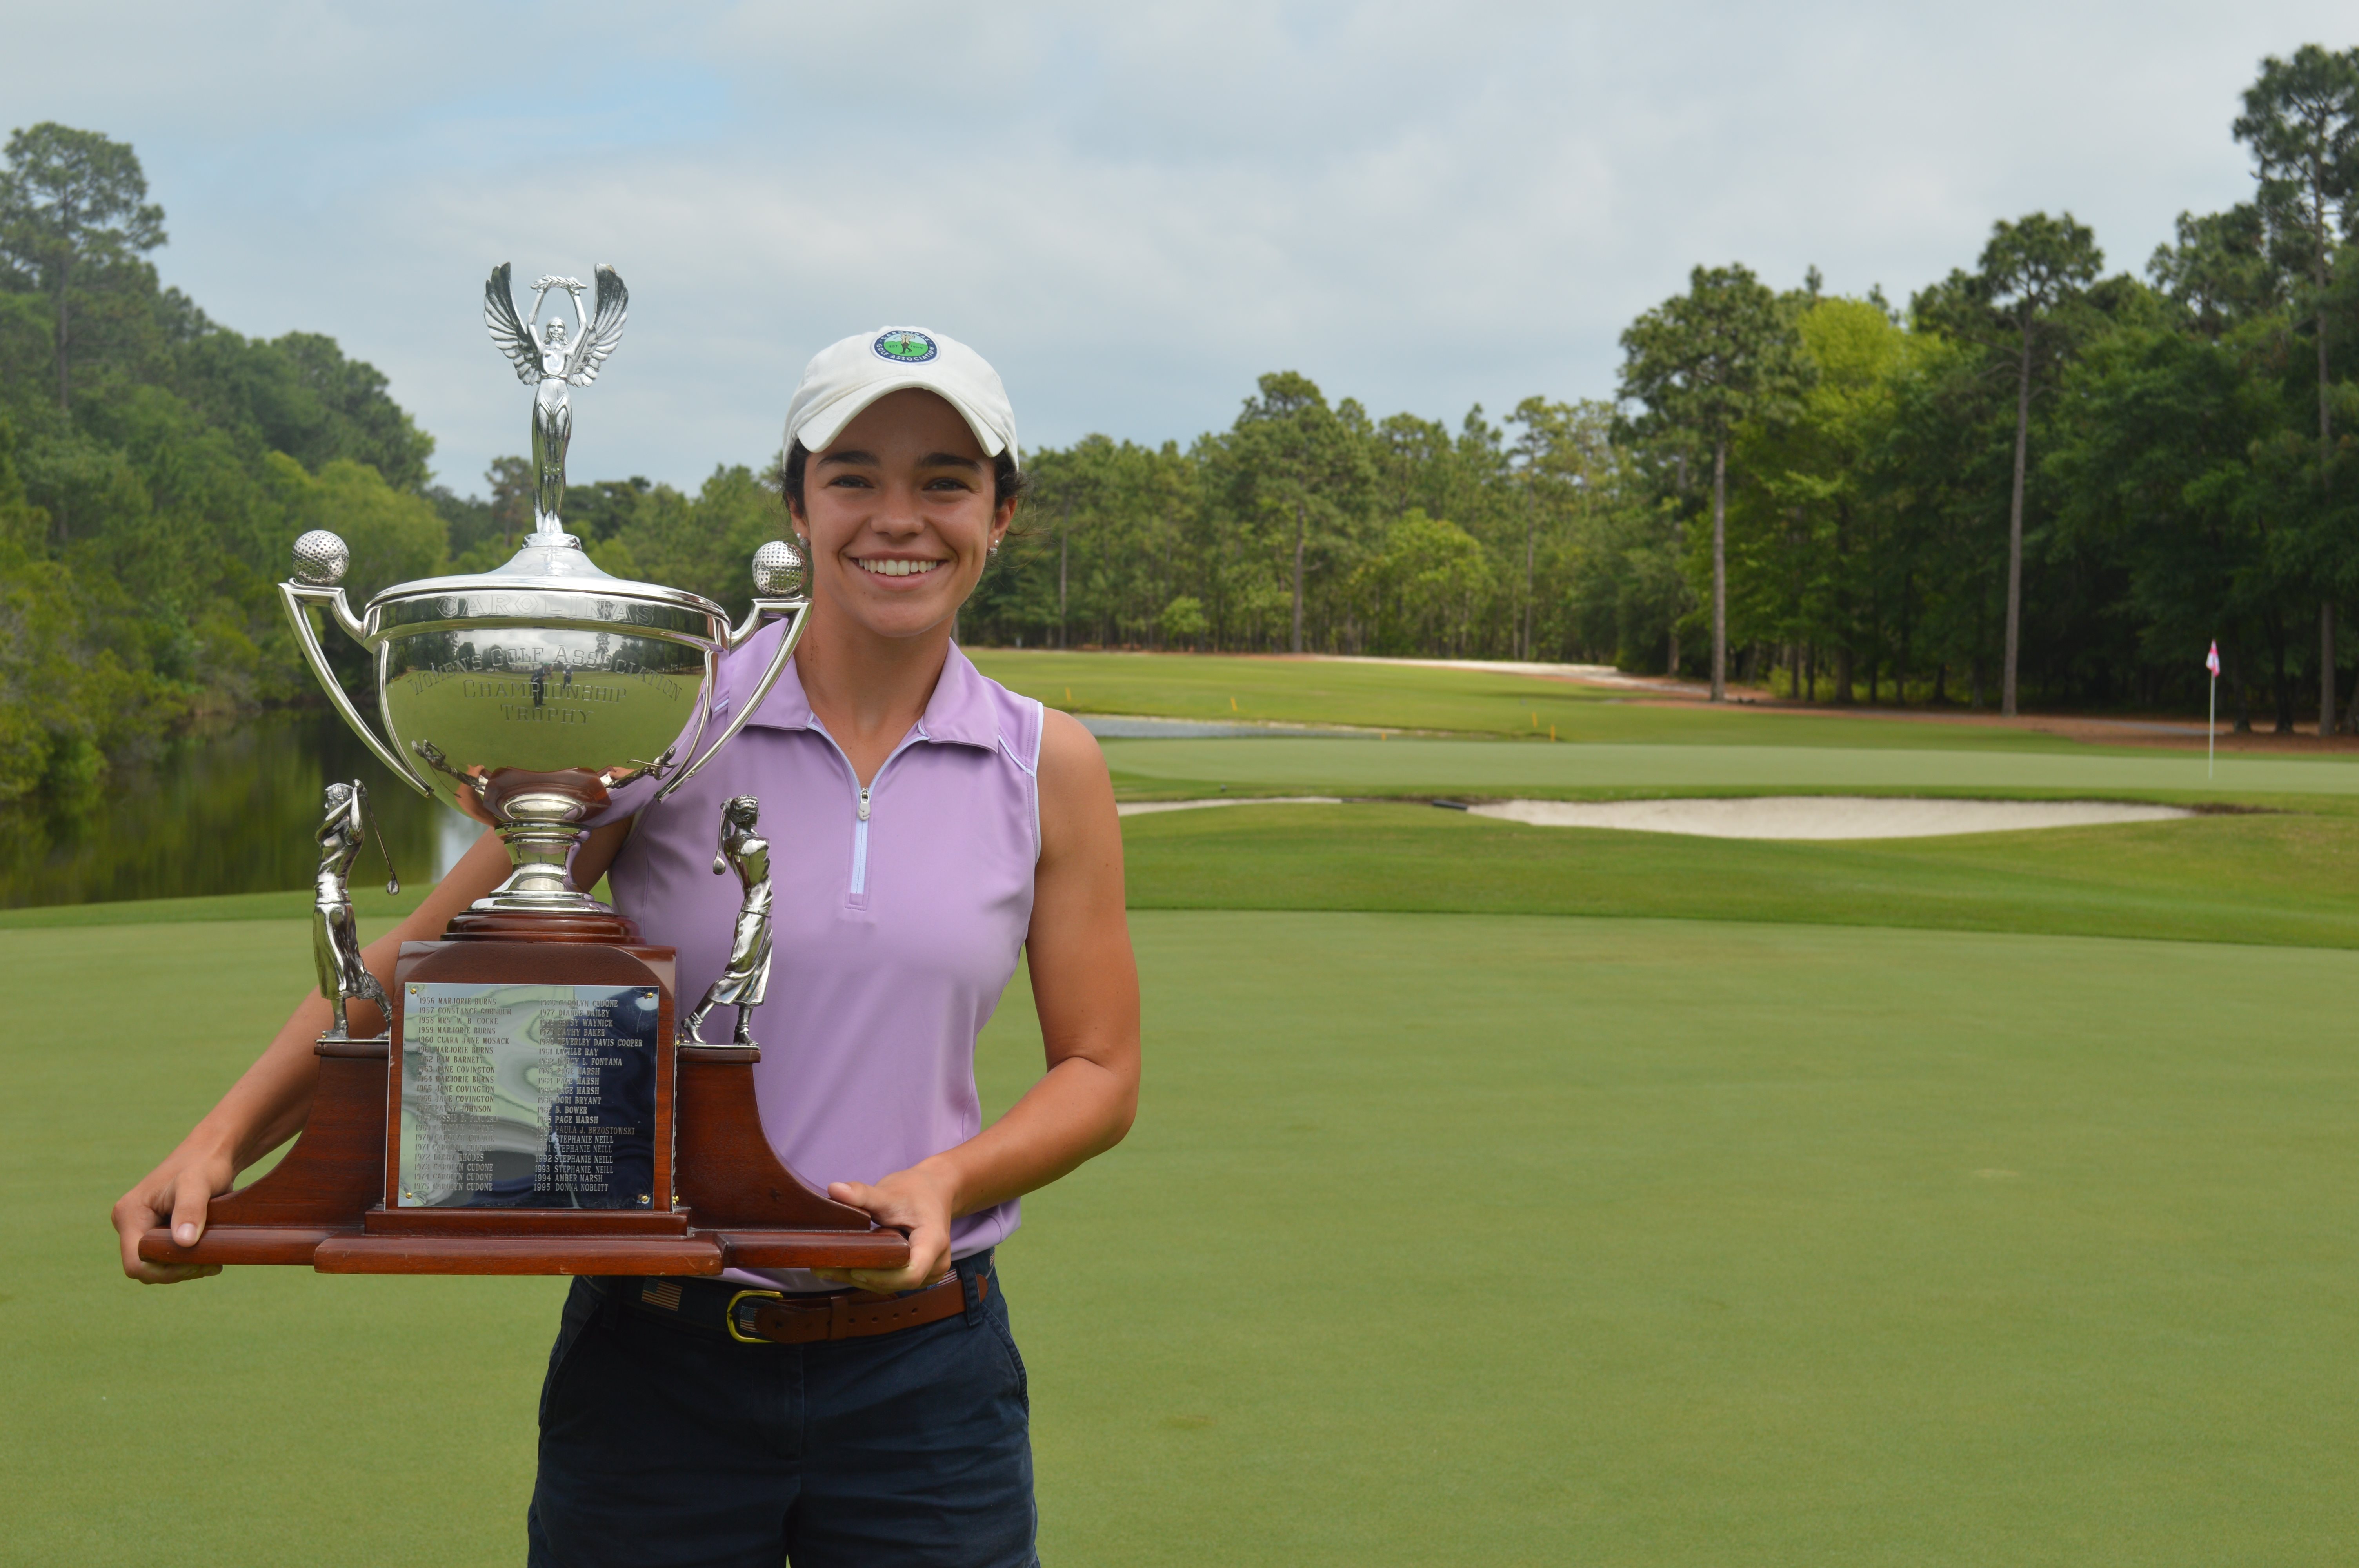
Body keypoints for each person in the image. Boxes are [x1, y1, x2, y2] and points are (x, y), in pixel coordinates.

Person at [112, 324, 1143, 1567]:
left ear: (1001, 514)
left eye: (945, 481)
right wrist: (221, 1141)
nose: (898, 518)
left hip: (926, 1380)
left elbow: (1101, 1070)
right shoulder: (673, 716)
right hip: (660, 1370)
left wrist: (948, 1184)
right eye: (854, 476)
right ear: (798, 508)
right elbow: (428, 963)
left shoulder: (1044, 763)